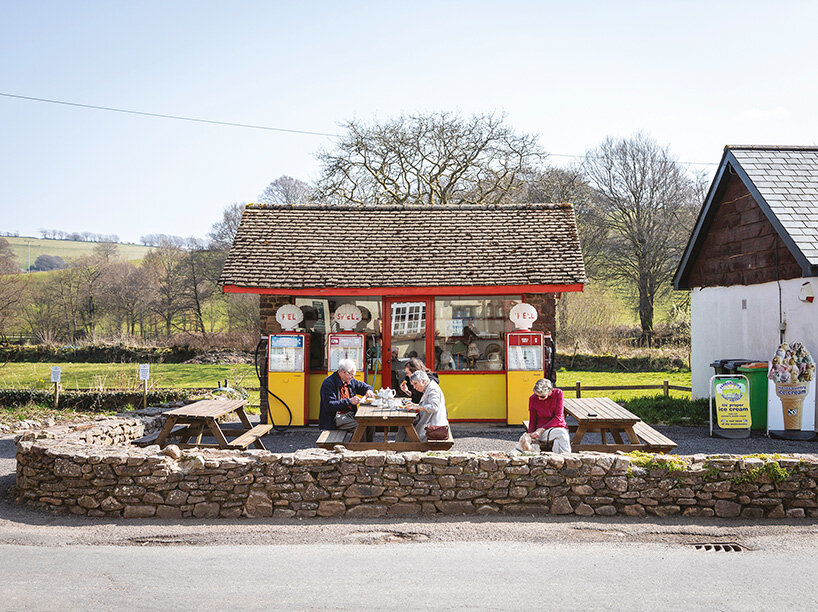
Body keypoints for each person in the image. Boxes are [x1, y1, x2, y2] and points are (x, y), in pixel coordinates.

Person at [318, 359, 374, 431]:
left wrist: (368, 390)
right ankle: (358, 442)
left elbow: (363, 386)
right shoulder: (329, 383)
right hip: (335, 418)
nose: (353, 377)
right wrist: (349, 401)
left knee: (370, 424)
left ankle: (364, 442)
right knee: (362, 426)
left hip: (350, 414)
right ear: (344, 372)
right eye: (352, 374)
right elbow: (329, 405)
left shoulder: (349, 381)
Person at [525, 378, 571, 453]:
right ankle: (568, 459)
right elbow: (533, 419)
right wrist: (530, 434)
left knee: (558, 441)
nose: (539, 398)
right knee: (562, 434)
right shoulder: (532, 399)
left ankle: (557, 461)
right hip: (543, 432)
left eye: (542, 396)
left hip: (555, 427)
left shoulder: (558, 393)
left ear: (550, 392)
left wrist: (541, 429)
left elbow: (558, 417)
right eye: (536, 395)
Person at [403, 370, 449, 442]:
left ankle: (401, 449)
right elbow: (428, 404)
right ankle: (400, 449)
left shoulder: (433, 389)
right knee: (405, 429)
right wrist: (415, 405)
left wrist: (417, 407)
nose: (414, 387)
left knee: (406, 431)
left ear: (423, 381)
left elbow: (433, 407)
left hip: (434, 428)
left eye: (415, 384)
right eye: (413, 385)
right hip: (430, 424)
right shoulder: (429, 386)